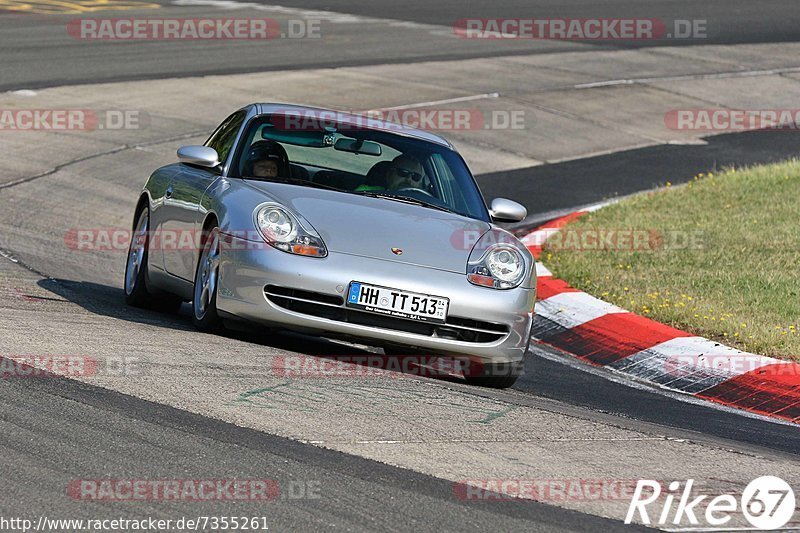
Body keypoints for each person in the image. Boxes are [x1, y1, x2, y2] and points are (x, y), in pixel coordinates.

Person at [356, 154, 424, 192]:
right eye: (403, 172)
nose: (409, 179)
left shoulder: (425, 203)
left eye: (416, 176)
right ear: (389, 174)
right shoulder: (365, 191)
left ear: (419, 183)